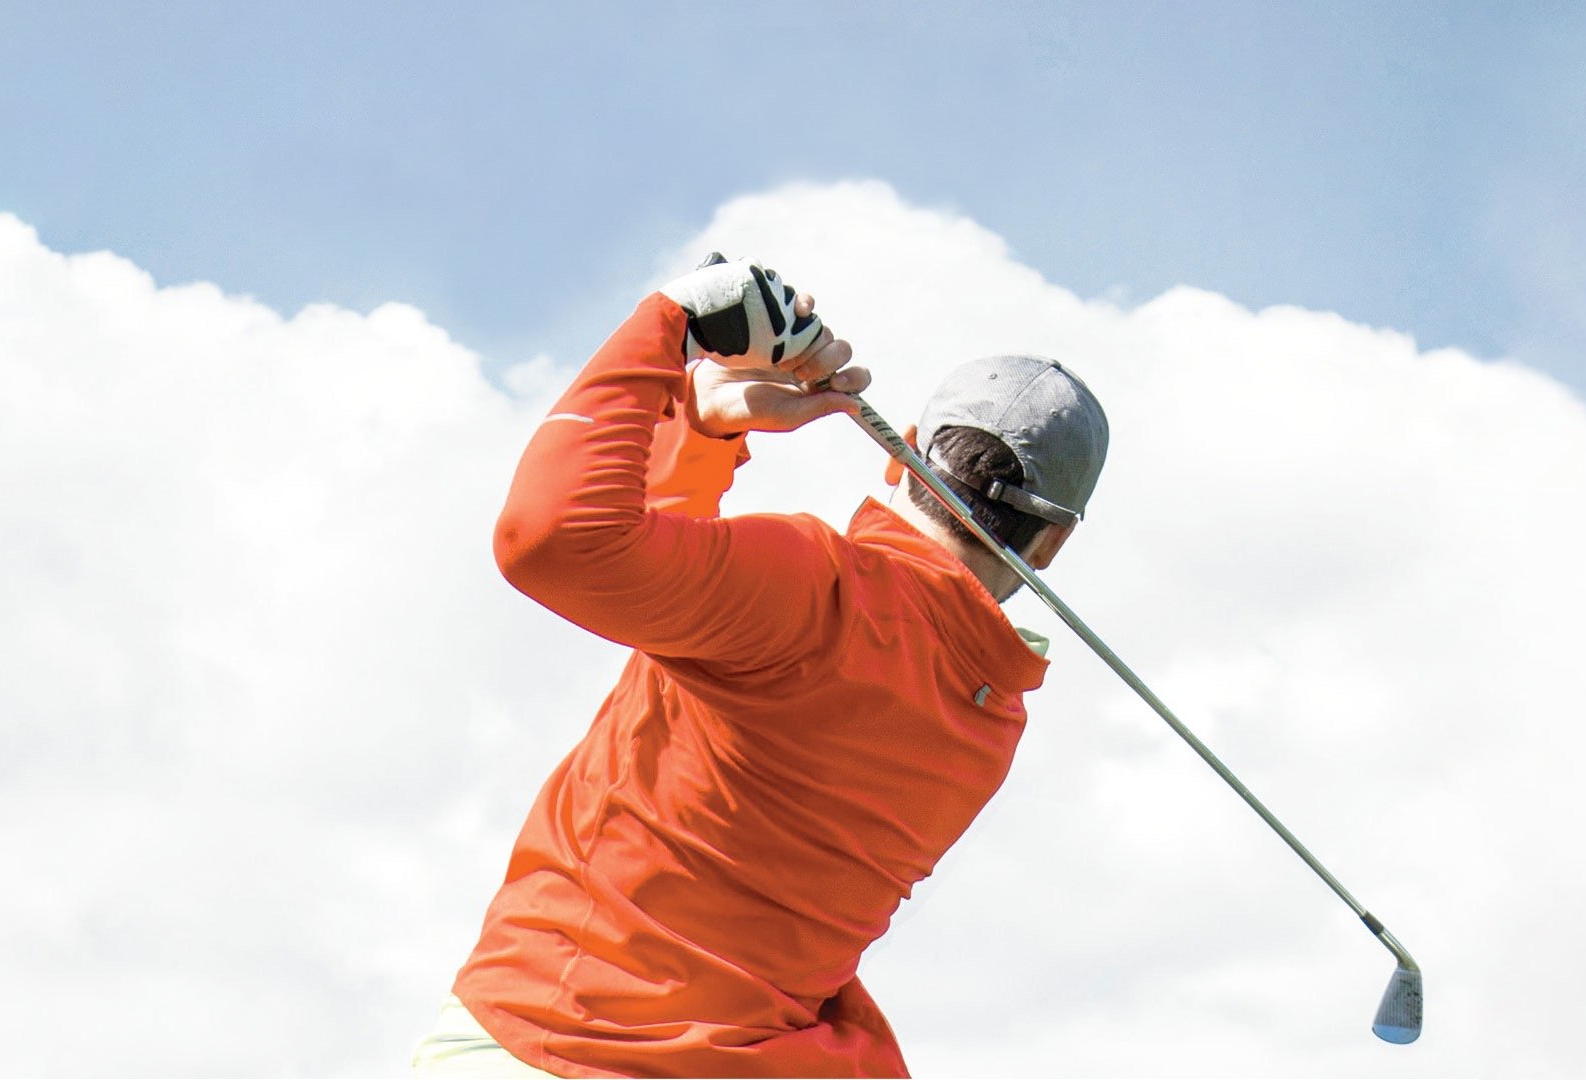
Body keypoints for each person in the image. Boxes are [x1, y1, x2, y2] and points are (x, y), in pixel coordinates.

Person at [414, 256, 1110, 1078]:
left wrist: (667, 322)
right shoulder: (991, 717)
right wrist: (702, 432)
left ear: (905, 454)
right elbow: (678, 606)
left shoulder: (815, 588)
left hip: (550, 1043)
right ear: (1054, 542)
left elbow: (553, 541)